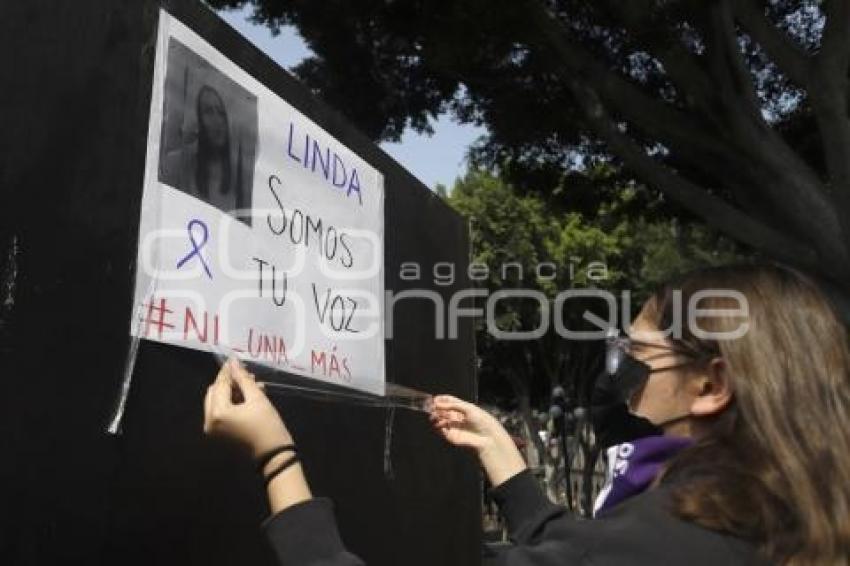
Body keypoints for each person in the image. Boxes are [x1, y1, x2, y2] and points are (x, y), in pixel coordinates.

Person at [203, 263, 850, 564]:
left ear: (711, 385)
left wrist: (277, 456)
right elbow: (591, 552)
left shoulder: (673, 538)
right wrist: (510, 473)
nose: (620, 364)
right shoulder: (780, 515)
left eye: (639, 349)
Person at [161, 84, 247, 217]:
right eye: (208, 111)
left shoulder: (240, 180)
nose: (217, 121)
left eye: (221, 113)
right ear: (198, 118)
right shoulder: (178, 164)